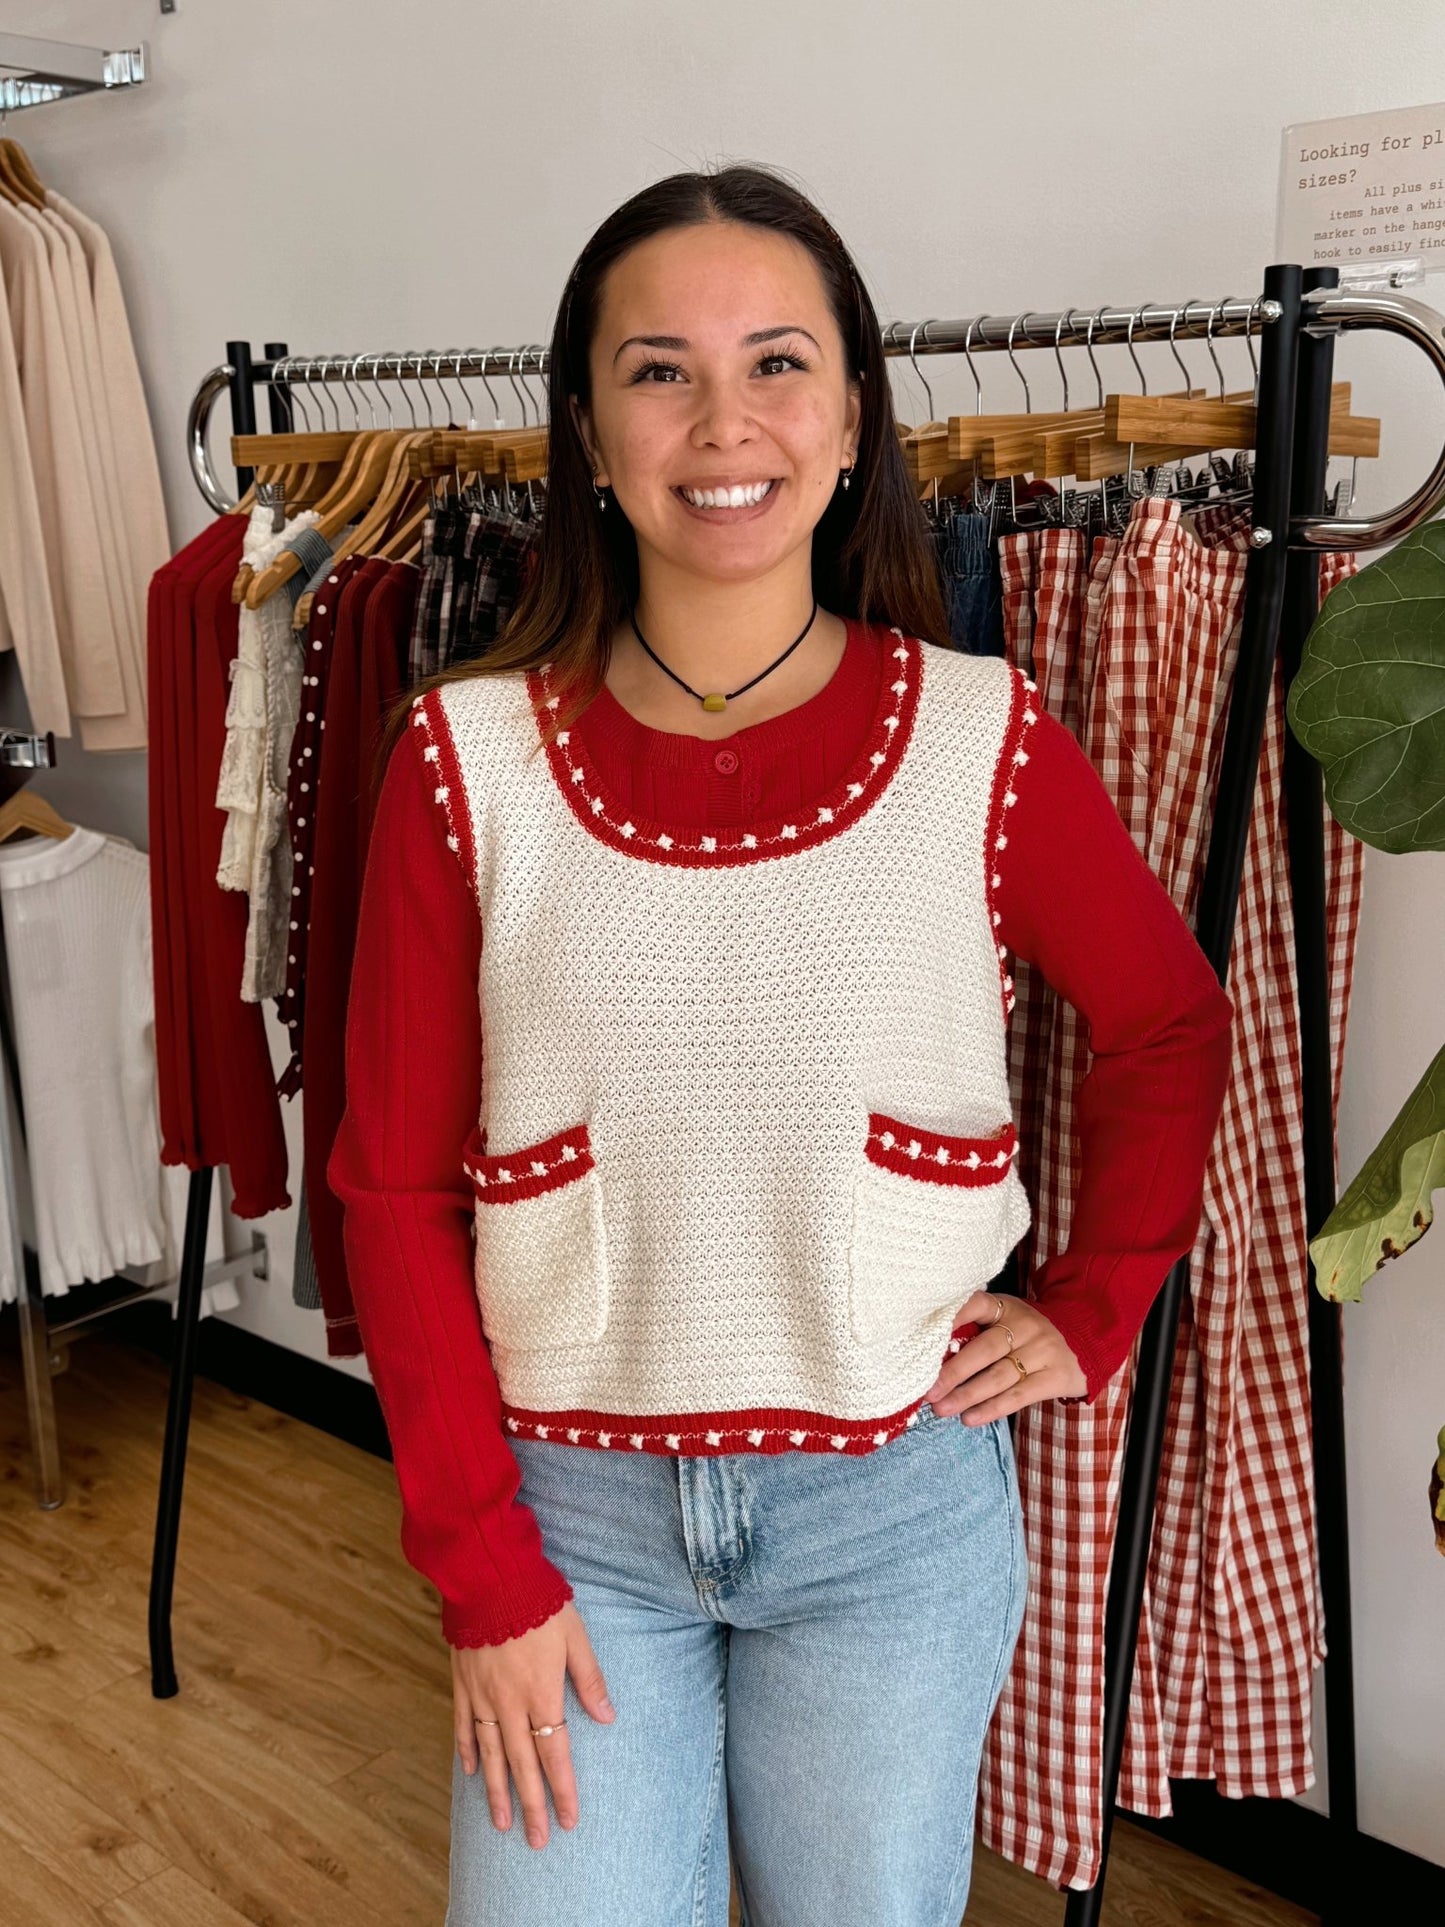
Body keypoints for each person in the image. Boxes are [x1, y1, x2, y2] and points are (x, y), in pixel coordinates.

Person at [328, 161, 1234, 1927]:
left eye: (776, 363)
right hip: (567, 1518)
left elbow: (1163, 1024)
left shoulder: (981, 737)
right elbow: (388, 1192)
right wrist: (479, 1575)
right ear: (586, 432)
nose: (720, 419)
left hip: (889, 1519)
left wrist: (1100, 1300)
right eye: (657, 368)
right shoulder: (465, 761)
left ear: (849, 422)